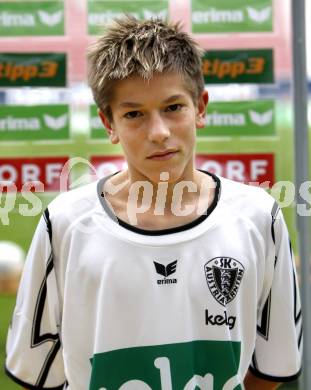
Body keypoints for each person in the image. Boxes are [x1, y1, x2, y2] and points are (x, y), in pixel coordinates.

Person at [5, 16, 302, 390]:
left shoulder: (258, 217)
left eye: (173, 107)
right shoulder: (64, 224)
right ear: (108, 123)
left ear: (201, 107)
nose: (159, 132)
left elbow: (270, 366)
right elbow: (38, 374)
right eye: (134, 114)